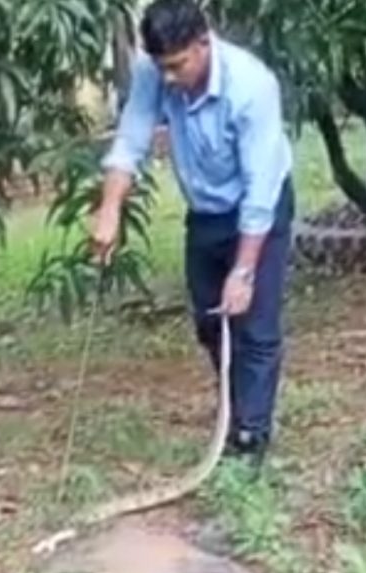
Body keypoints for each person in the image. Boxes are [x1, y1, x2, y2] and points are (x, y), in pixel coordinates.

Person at [91, 0, 295, 466]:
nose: (168, 77)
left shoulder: (252, 87)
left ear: (204, 44)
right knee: (210, 321)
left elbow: (260, 193)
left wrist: (244, 271)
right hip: (205, 211)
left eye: (178, 65)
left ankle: (251, 437)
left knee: (255, 326)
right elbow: (131, 139)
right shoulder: (155, 71)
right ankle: (234, 407)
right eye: (162, 66)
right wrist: (109, 209)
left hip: (258, 209)